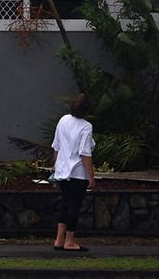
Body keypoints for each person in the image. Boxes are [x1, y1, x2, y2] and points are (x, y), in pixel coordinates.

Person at [50, 93, 96, 251]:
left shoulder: (63, 120)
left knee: (65, 203)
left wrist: (56, 164)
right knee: (74, 206)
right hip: (77, 172)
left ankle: (59, 239)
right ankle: (69, 241)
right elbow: (85, 153)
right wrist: (91, 176)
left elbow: (56, 145)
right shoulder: (86, 126)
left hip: (62, 170)